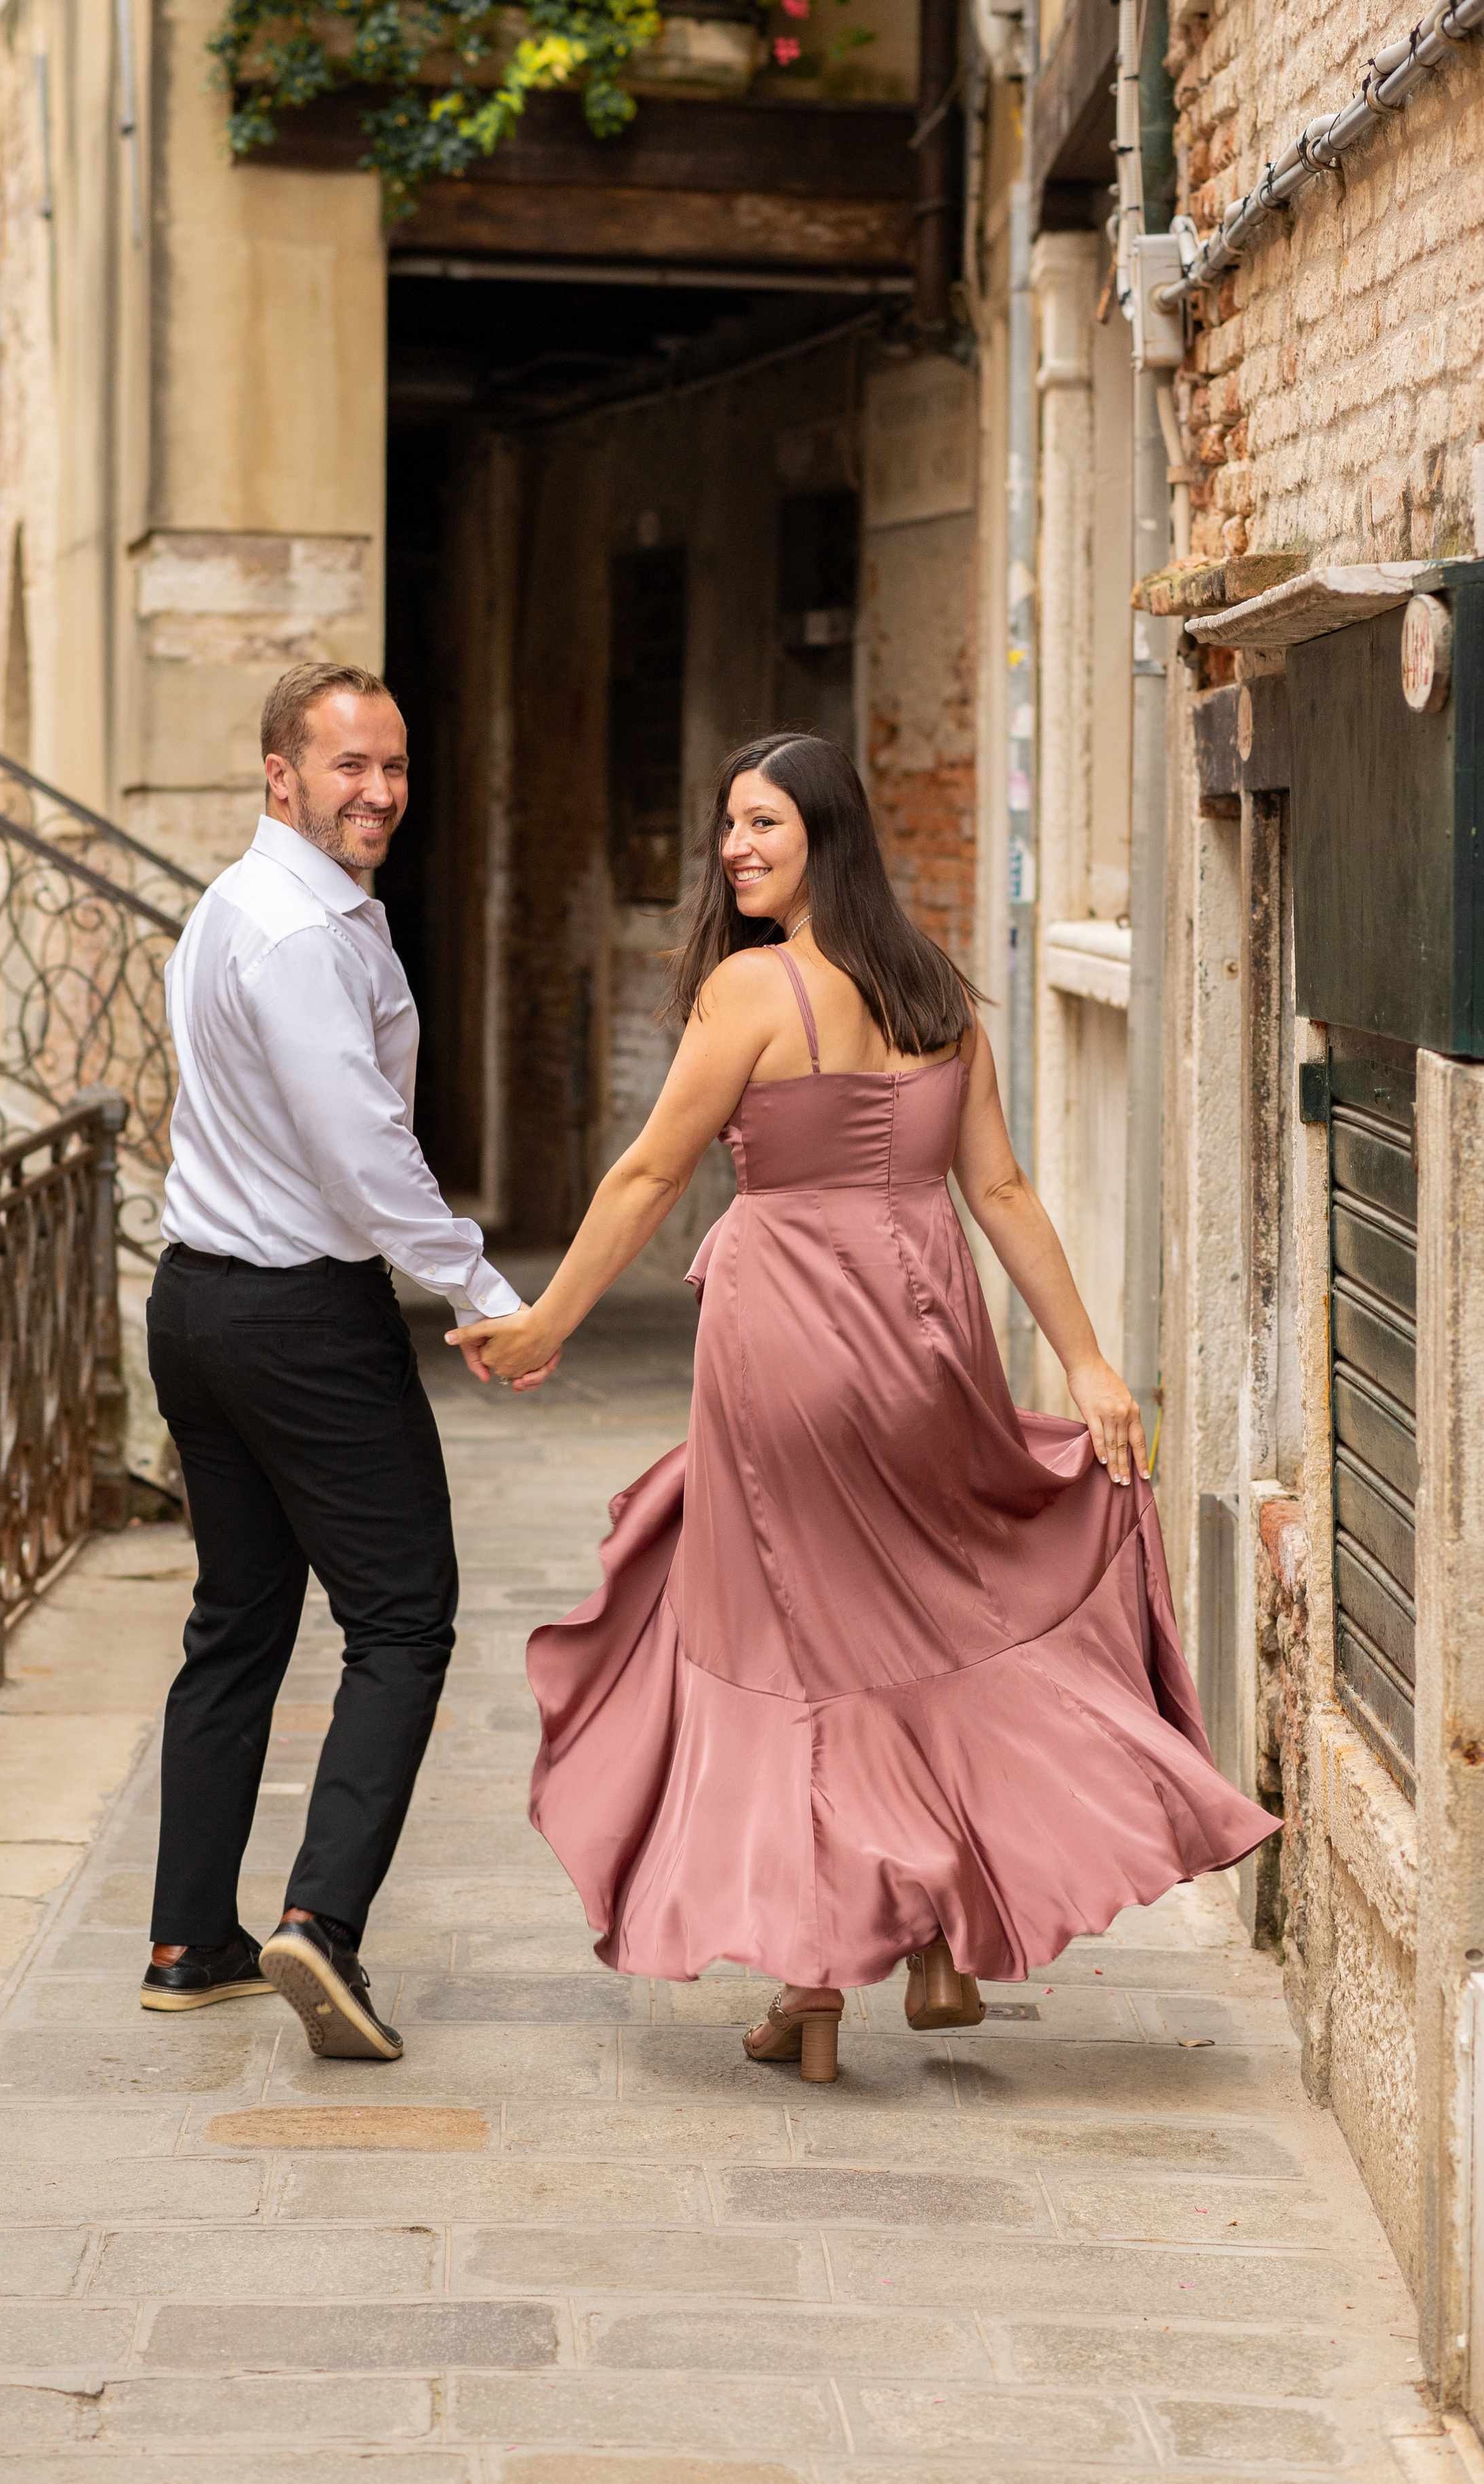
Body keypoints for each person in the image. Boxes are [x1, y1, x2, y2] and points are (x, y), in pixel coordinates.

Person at [451, 734, 1276, 2084]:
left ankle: (821, 1977)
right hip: (926, 1339)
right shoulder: (938, 992)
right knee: (919, 1623)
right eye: (727, 824)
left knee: (799, 1655)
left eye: (761, 822)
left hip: (787, 1341)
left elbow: (653, 1170)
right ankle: (922, 1936)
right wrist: (1083, 1367)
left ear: (824, 834)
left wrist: (546, 1322)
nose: (734, 847)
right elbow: (997, 1193)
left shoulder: (753, 990)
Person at [139, 659, 552, 2059]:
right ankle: (319, 1924)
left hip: (195, 1305)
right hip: (292, 1320)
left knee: (239, 1619)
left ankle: (190, 1940)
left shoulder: (233, 907)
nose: (376, 791)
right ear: (279, 775)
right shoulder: (303, 934)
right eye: (346, 767)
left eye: (392, 766)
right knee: (402, 1618)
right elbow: (361, 1149)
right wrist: (484, 1290)